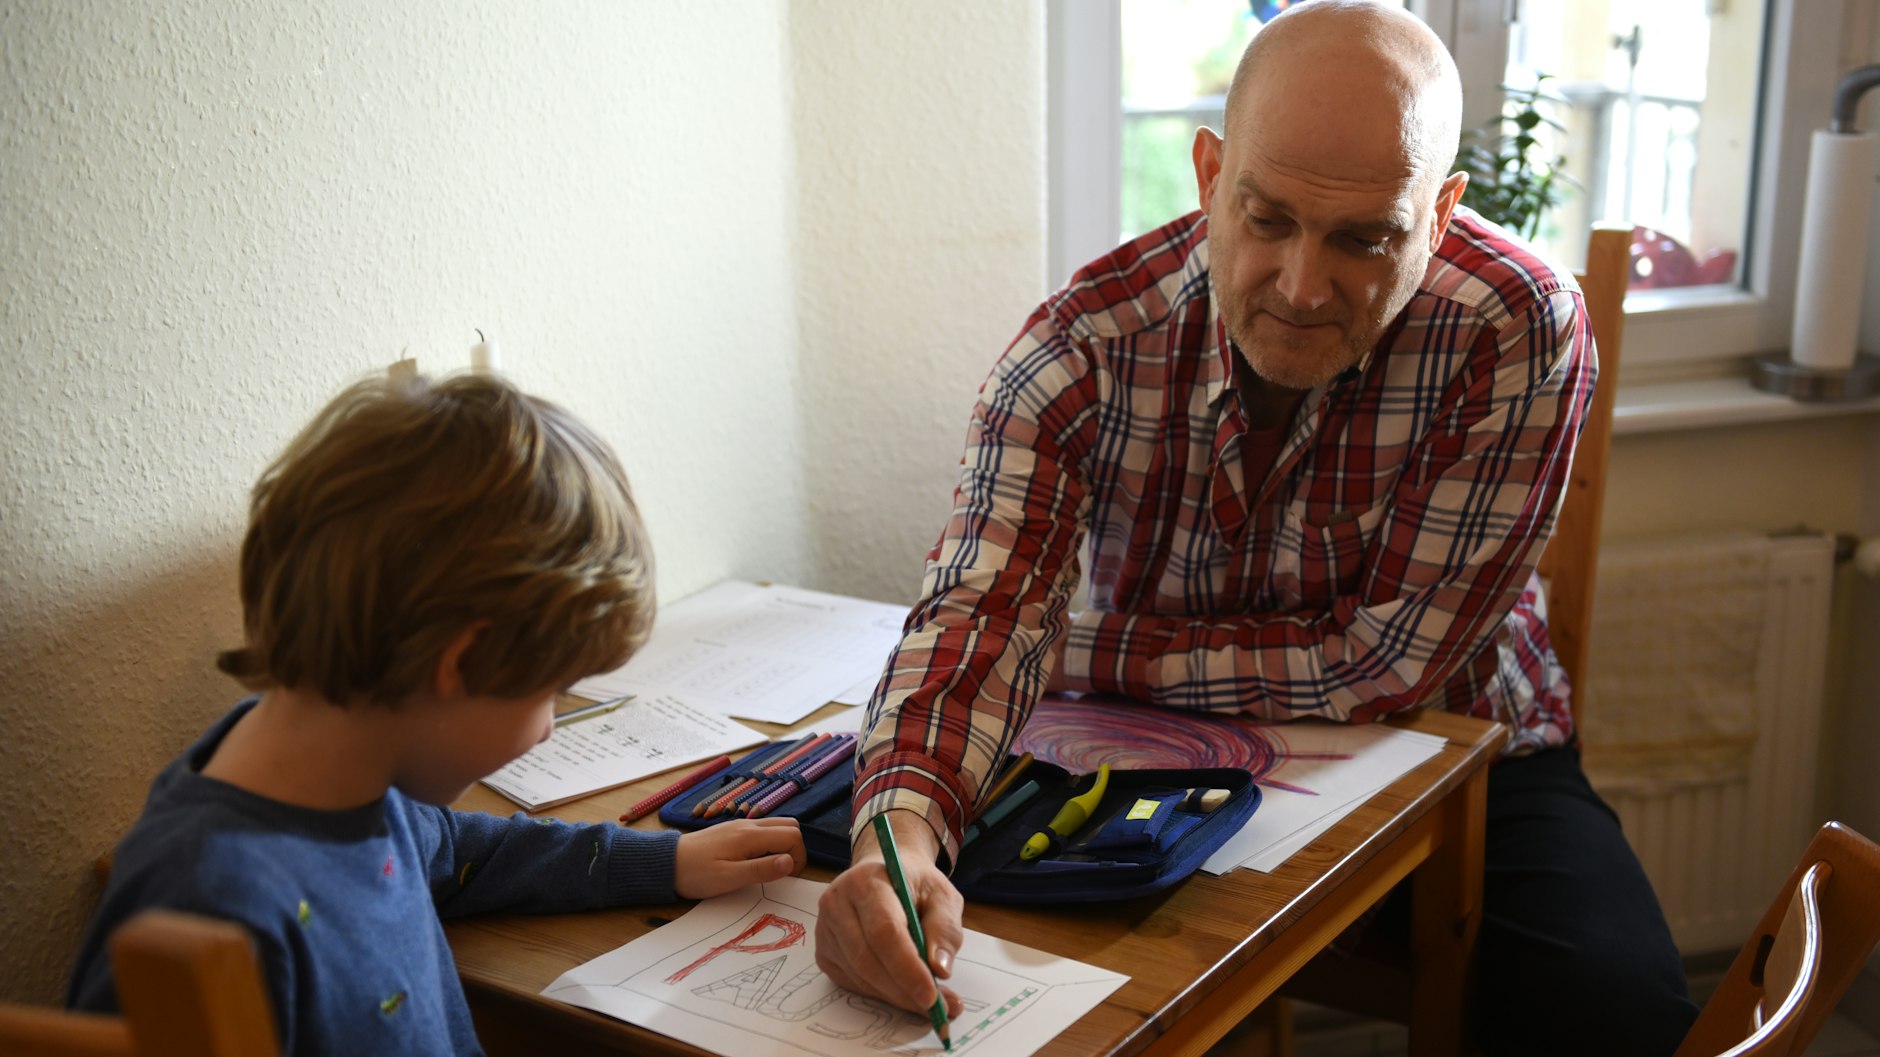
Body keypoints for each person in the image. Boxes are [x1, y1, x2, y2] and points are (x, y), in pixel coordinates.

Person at [815, 2, 1696, 1054]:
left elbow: (1385, 664)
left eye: (1362, 238)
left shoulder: (1512, 325)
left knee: (1617, 1012)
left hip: (1462, 752)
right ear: (1205, 174)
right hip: (1147, 756)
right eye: (1266, 217)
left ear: (1442, 209)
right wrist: (893, 839)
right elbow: (976, 614)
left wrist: (1075, 646)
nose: (1300, 285)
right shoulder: (1079, 348)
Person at [68, 372, 807, 1056]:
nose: (549, 724)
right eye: (549, 691)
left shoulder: (351, 783)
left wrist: (664, 861)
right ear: (460, 663)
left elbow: (456, 850)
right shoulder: (206, 902)